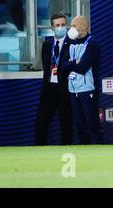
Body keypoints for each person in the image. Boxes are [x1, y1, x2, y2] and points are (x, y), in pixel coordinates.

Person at [61, 16, 103, 144]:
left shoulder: (92, 43)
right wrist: (75, 61)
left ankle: (98, 149)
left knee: (92, 123)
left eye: (75, 25)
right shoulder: (70, 43)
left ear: (84, 26)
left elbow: (82, 67)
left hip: (88, 89)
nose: (71, 29)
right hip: (73, 89)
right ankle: (83, 150)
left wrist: (71, 64)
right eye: (71, 26)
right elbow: (62, 66)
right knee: (80, 125)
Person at [35, 13, 72, 145]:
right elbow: (46, 67)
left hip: (65, 89)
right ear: (52, 27)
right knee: (41, 123)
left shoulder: (71, 44)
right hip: (49, 88)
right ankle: (39, 150)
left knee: (66, 124)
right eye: (57, 25)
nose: (61, 27)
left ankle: (65, 150)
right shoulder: (47, 45)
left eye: (63, 25)